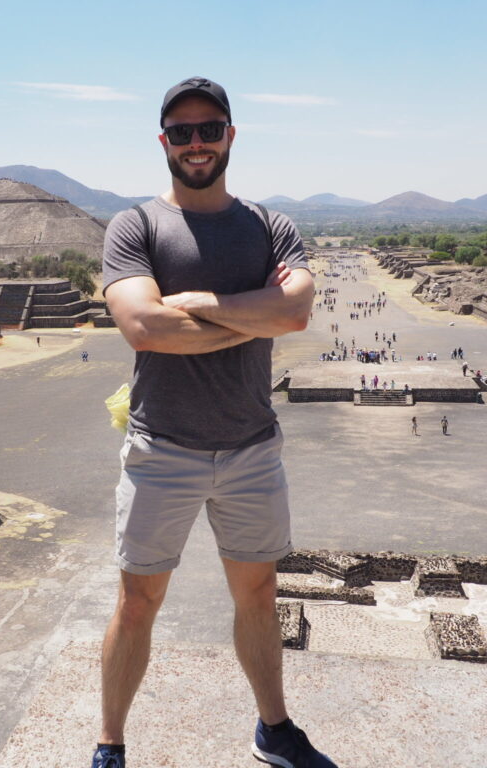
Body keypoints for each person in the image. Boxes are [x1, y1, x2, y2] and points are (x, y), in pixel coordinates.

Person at [97, 76, 331, 768]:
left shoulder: (269, 226)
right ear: (163, 142)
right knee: (137, 601)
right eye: (182, 132)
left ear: (230, 135)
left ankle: (273, 728)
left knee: (259, 593)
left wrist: (200, 305)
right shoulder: (135, 226)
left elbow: (295, 313)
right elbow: (143, 325)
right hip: (161, 446)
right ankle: (109, 742)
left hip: (251, 448)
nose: (196, 143)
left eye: (209, 129)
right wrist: (245, 313)